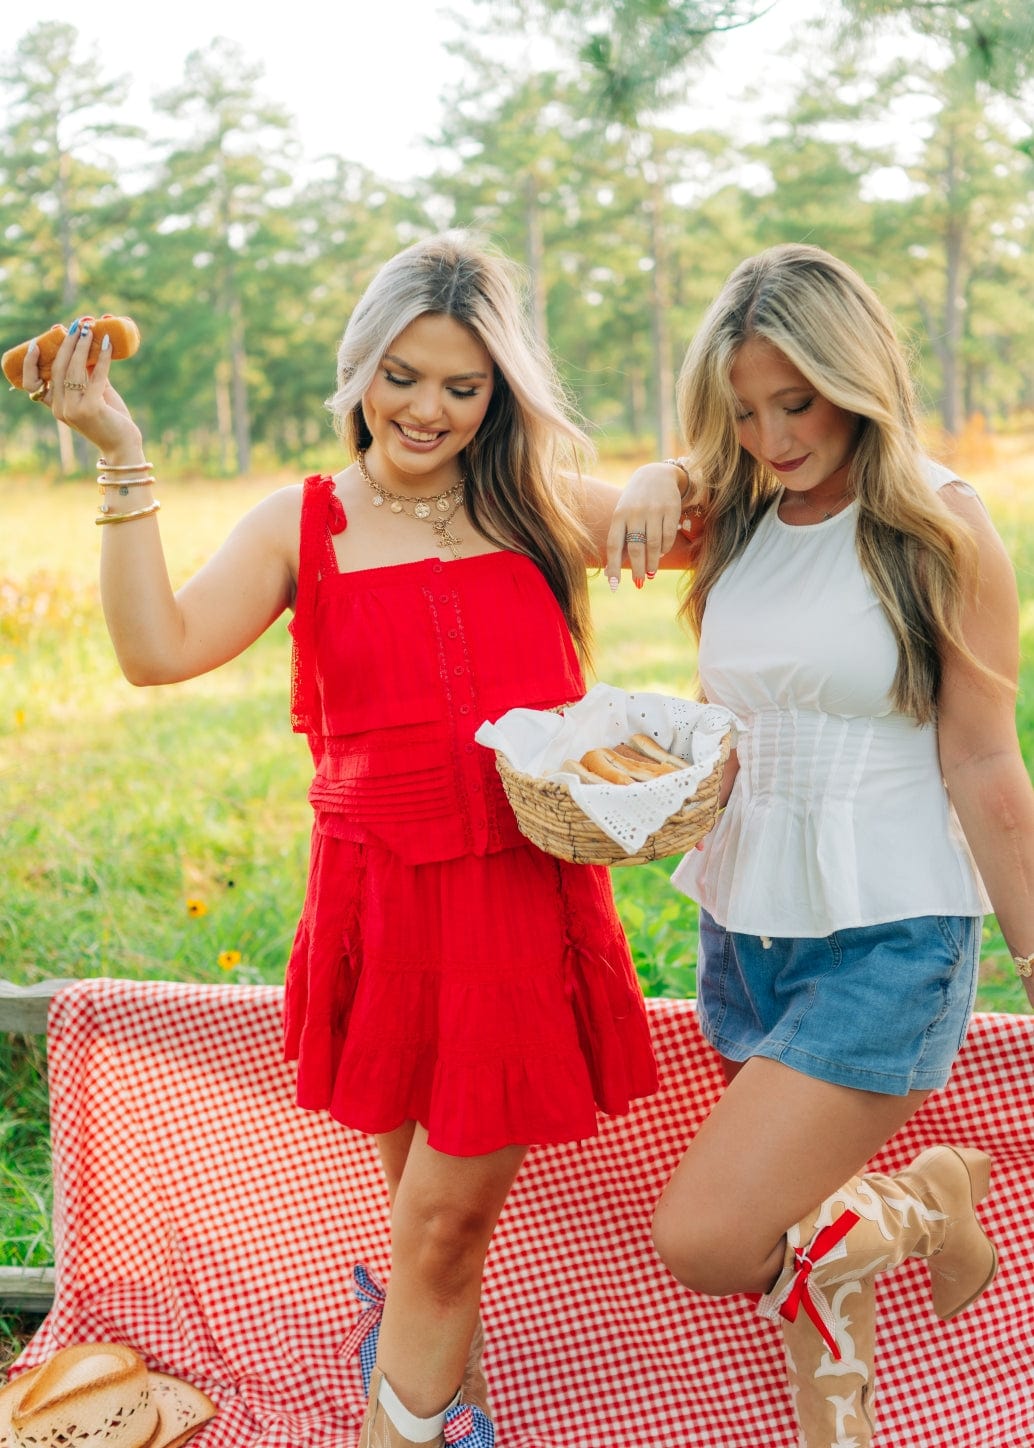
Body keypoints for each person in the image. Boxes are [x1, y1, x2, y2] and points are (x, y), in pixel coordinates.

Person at [20, 233, 691, 1448]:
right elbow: (154, 649)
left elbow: (760, 507)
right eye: (401, 373)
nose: (424, 408)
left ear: (498, 396)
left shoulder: (536, 502)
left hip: (514, 909)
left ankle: (405, 1422)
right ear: (357, 369)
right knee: (425, 1218)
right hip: (377, 911)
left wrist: (665, 476)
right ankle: (449, 1401)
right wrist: (122, 456)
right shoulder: (304, 519)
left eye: (460, 384)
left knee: (438, 1227)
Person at [603, 241, 1034, 1446]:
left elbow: (982, 760)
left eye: (794, 403)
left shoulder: (938, 527)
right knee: (801, 1220)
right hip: (745, 923)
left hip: (887, 929)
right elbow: (535, 512)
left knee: (710, 1236)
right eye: (741, 411)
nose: (771, 434)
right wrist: (649, 471)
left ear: (856, 378)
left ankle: (928, 1195)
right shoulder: (736, 509)